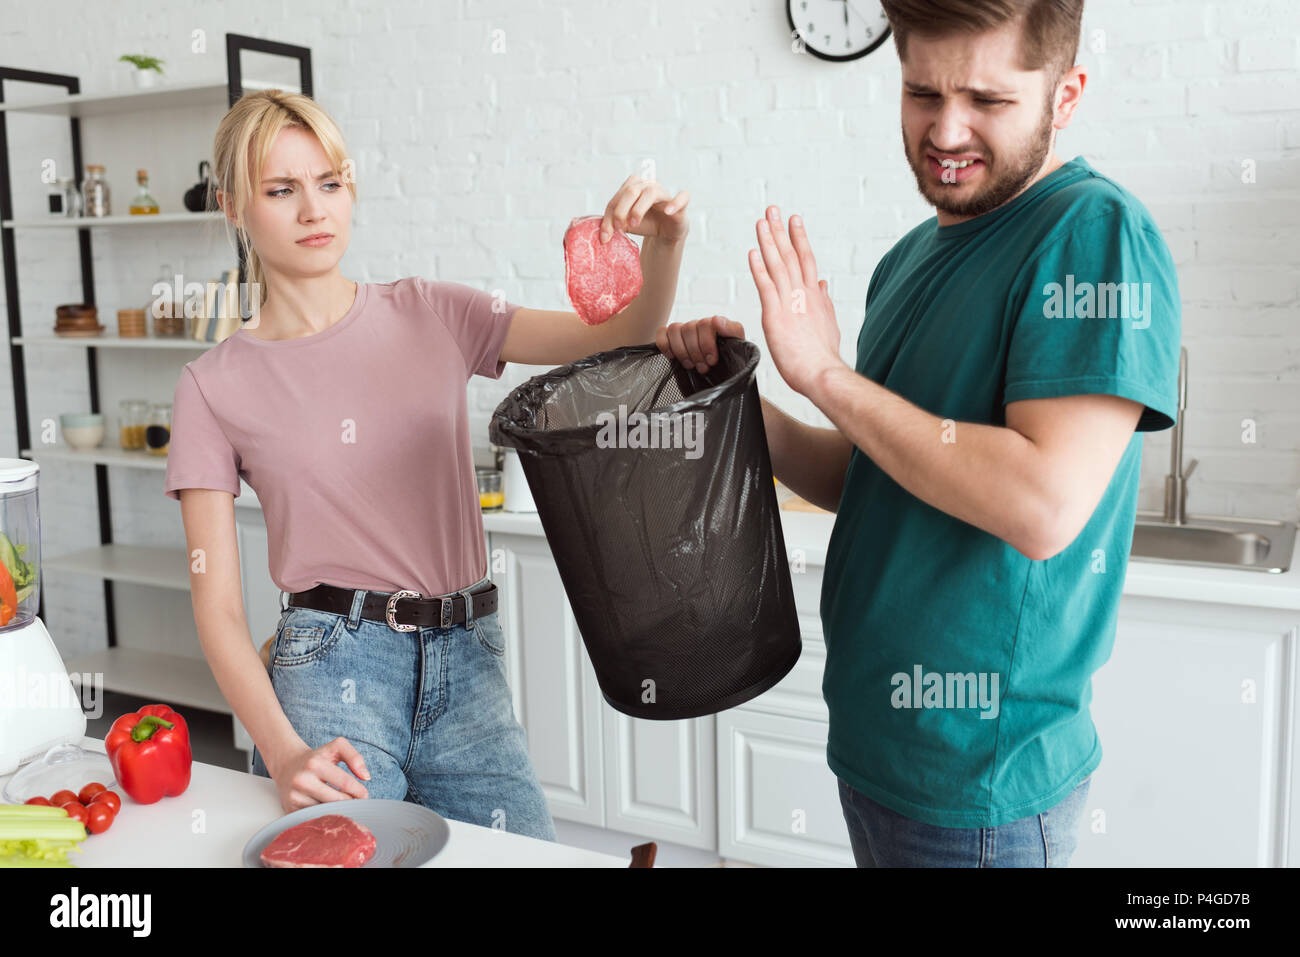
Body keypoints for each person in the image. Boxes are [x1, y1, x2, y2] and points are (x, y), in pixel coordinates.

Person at [656, 0, 1180, 866]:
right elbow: (868, 476)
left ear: (1067, 93)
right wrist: (737, 402)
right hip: (881, 754)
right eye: (921, 93)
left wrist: (825, 373)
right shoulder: (907, 260)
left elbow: (1042, 503)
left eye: (987, 100)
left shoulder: (1092, 233)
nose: (946, 130)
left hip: (980, 783)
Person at [165, 89, 691, 839]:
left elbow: (624, 332)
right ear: (233, 207)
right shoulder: (211, 385)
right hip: (331, 672)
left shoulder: (433, 312)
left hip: (468, 658)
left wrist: (664, 245)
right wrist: (282, 752)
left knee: (526, 858)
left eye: (330, 182)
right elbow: (216, 609)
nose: (315, 209)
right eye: (282, 190)